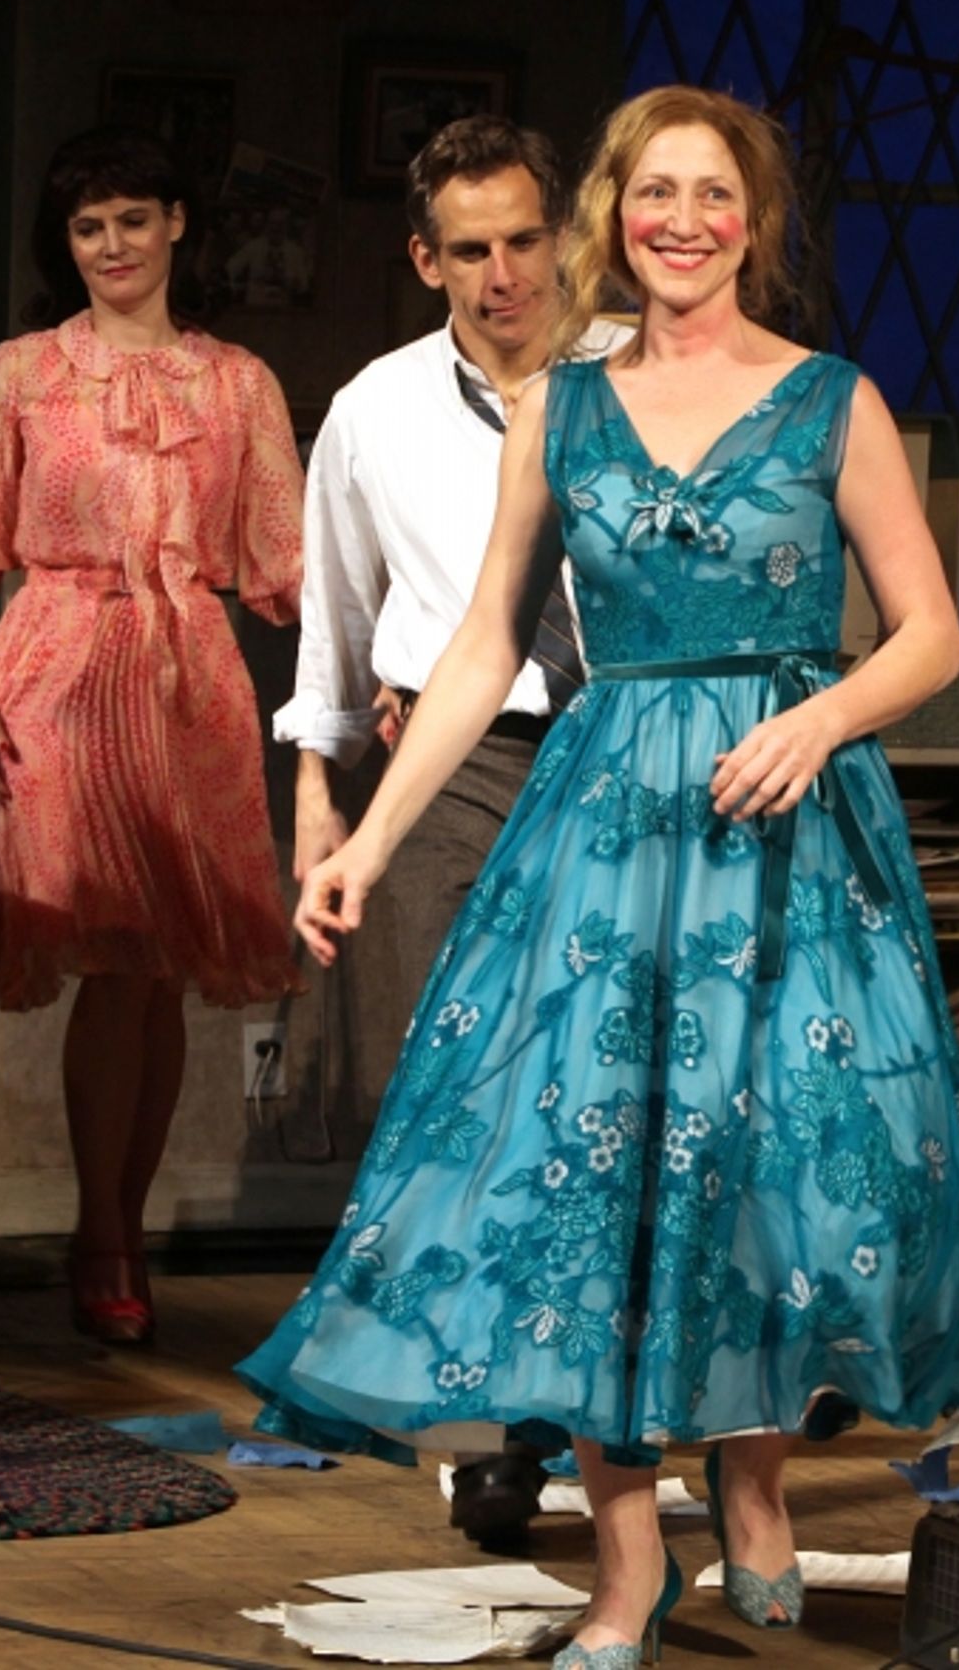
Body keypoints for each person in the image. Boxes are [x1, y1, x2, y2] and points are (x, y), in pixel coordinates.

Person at [239, 80, 959, 1662]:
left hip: (786, 826)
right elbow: (477, 654)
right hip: (605, 830)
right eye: (655, 193)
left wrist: (825, 718)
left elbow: (933, 630)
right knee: (587, 1184)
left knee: (766, 1169)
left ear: (755, 221)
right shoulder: (555, 412)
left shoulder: (831, 400)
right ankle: (630, 1566)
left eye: (714, 195)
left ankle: (763, 1486)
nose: (684, 222)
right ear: (615, 217)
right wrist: (363, 841)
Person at [275, 113, 627, 1544]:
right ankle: (492, 1428)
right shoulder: (373, 407)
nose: (503, 275)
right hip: (447, 755)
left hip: (617, 750)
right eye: (469, 249)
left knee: (601, 1104)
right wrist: (318, 796)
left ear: (564, 236)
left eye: (525, 240)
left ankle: (597, 1417)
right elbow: (332, 620)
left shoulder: (632, 377)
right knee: (456, 1097)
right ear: (426, 259)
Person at [0, 126, 305, 1347]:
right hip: (58, 668)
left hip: (190, 680)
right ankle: (104, 1239)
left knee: (158, 979)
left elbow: (283, 557)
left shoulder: (237, 381)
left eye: (134, 219)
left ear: (177, 225)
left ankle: (118, 1230)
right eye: (89, 227)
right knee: (109, 966)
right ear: (68, 244)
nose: (113, 246)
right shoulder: (23, 371)